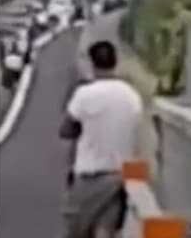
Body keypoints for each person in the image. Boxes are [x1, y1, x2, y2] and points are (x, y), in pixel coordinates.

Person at [59, 40, 142, 238]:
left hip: (88, 177)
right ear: (116, 62)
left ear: (92, 63)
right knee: (106, 231)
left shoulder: (85, 94)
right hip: (117, 178)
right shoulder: (131, 96)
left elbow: (66, 130)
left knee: (76, 231)